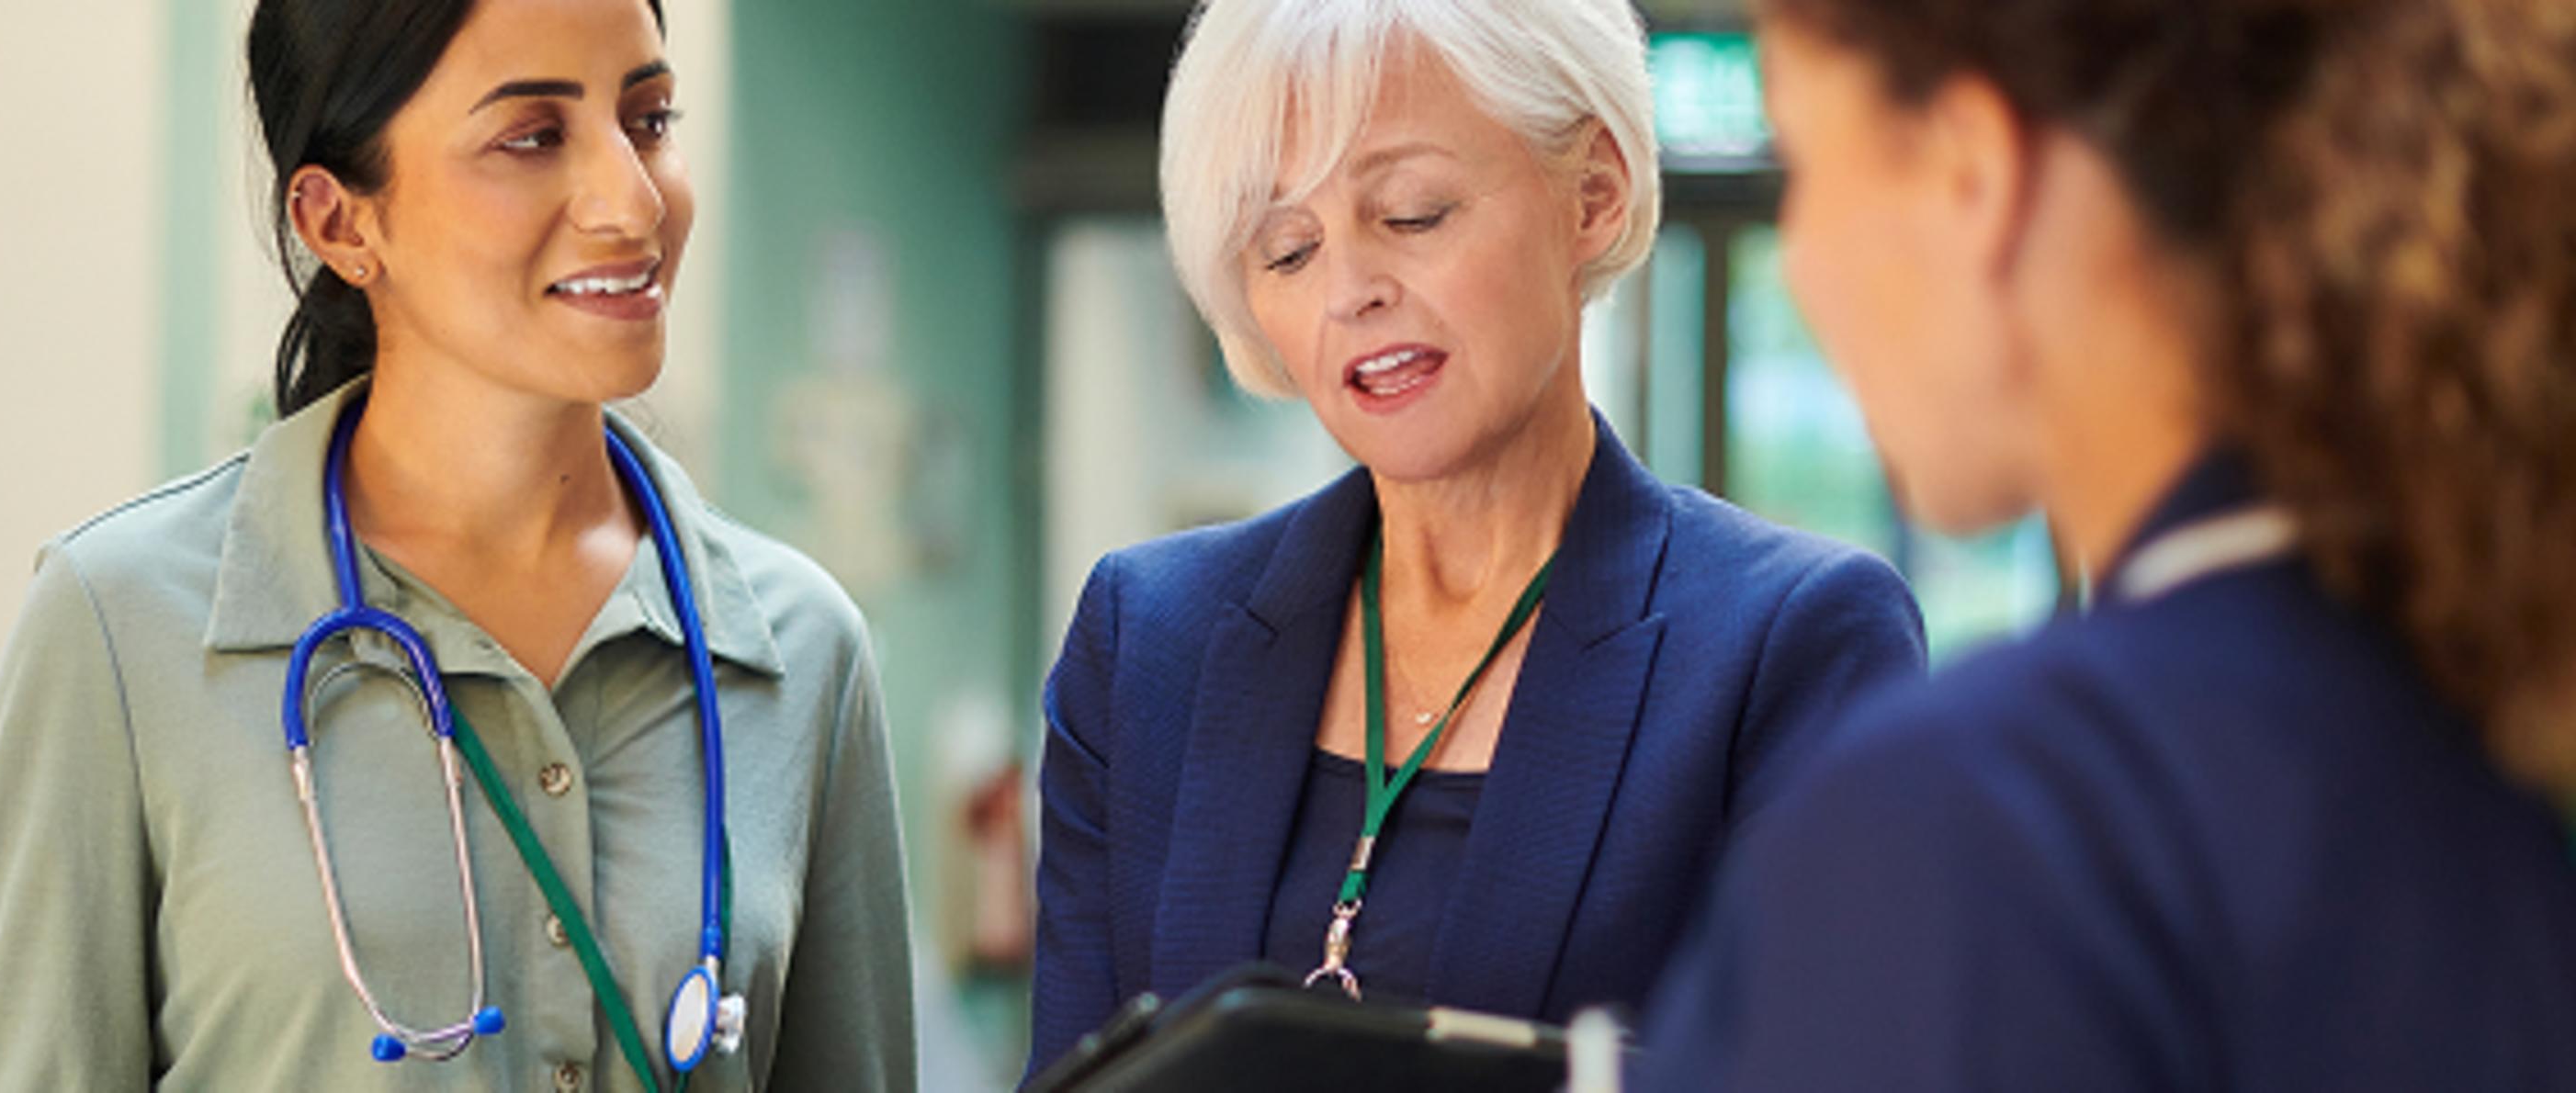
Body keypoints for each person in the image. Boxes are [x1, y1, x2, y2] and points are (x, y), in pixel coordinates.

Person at [0, 0, 915, 1088]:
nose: (634, 201)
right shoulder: (121, 628)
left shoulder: (800, 648)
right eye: (532, 136)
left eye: (648, 119)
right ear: (341, 223)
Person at [1637, 0, 2576, 1087]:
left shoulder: (1985, 828)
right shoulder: (2493, 724)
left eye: (1802, 161)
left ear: (1970, 171)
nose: (1799, 261)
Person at [1024, 0, 1927, 1072]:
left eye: (1412, 214)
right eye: (1288, 249)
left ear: (1593, 194)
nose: (1351, 291)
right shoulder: (1146, 637)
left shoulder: (1791, 644)